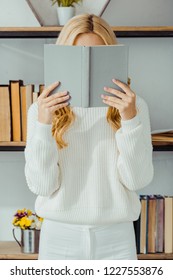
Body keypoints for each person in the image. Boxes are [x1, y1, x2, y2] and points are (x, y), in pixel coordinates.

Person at [24, 14, 153, 260]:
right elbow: (41, 185)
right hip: (59, 237)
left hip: (117, 237)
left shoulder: (134, 109)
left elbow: (137, 180)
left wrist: (130, 120)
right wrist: (43, 125)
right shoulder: (41, 111)